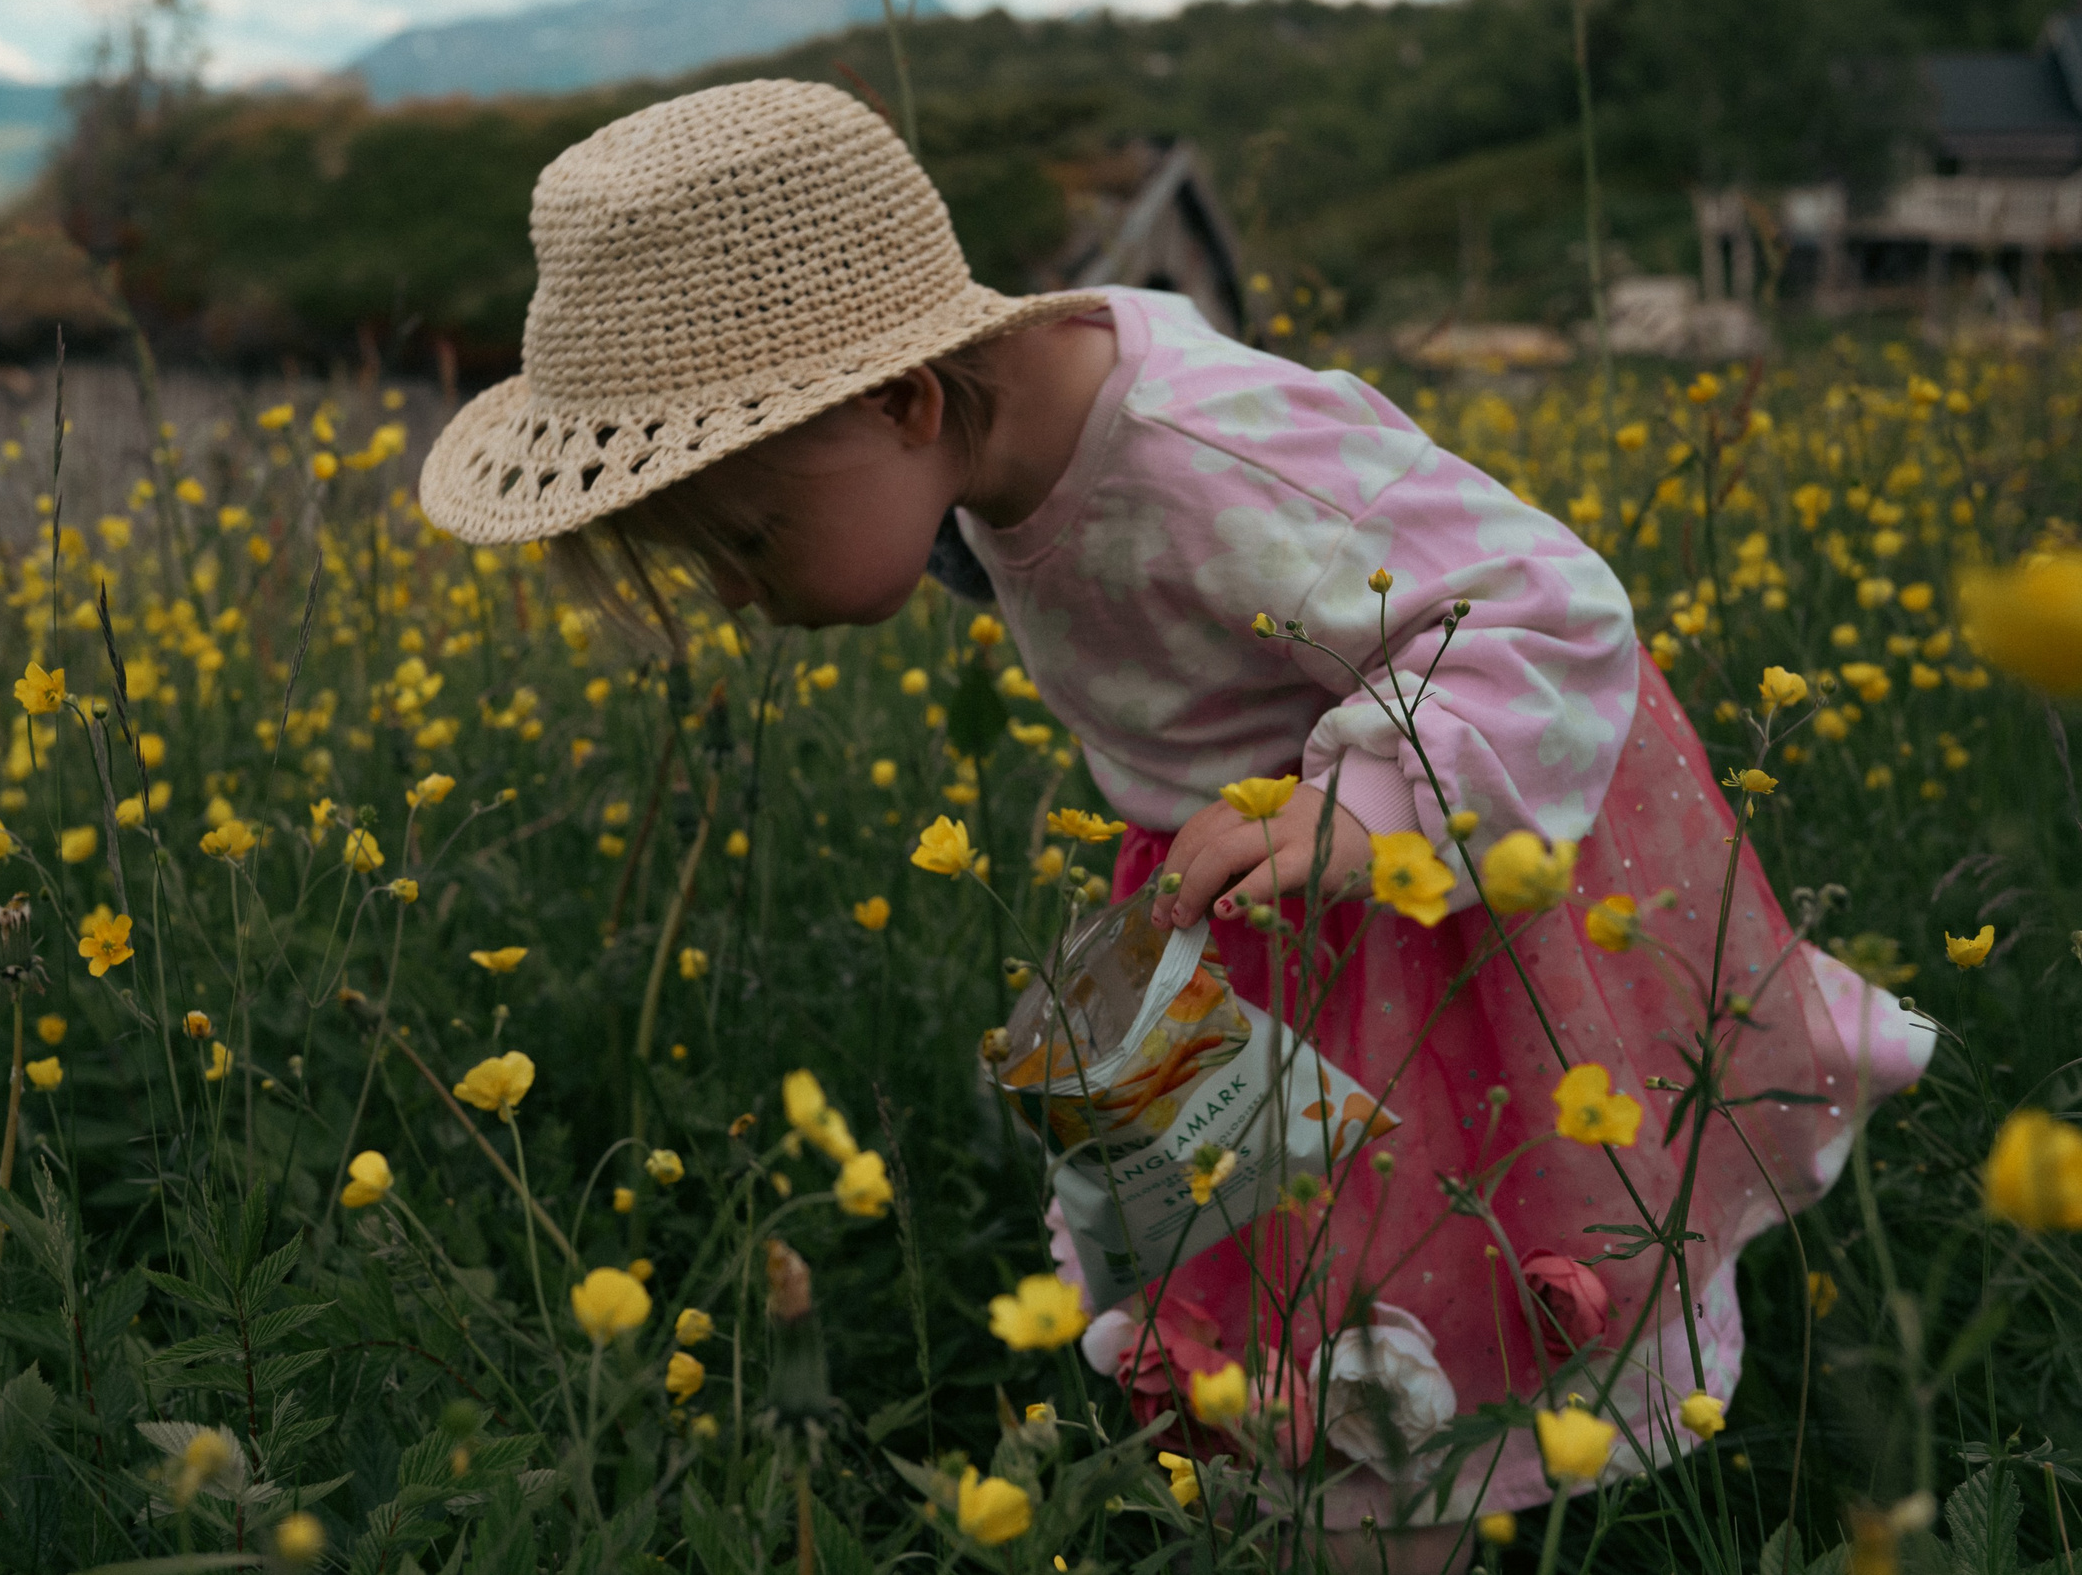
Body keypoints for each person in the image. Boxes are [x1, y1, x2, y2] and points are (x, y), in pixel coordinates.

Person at [417, 79, 1932, 1564]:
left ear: (902, 396)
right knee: (1250, 1370)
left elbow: (1548, 605)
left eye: (745, 536)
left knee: (1395, 1391)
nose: (740, 592)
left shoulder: (1209, 451)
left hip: (1396, 902)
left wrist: (1377, 805)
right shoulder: (986, 431)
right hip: (1238, 903)